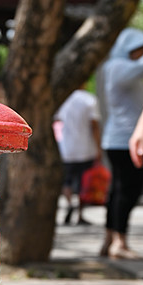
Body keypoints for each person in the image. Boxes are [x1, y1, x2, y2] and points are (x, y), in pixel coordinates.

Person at [98, 28, 143, 259]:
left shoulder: (115, 67)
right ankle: (119, 242)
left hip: (117, 139)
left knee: (117, 191)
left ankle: (110, 239)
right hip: (126, 141)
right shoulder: (119, 67)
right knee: (127, 191)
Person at [54, 83, 102, 225]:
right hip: (85, 149)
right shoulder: (89, 100)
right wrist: (98, 148)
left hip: (66, 149)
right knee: (84, 183)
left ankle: (69, 204)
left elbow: (57, 122)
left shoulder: (63, 99)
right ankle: (80, 214)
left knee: (67, 181)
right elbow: (94, 126)